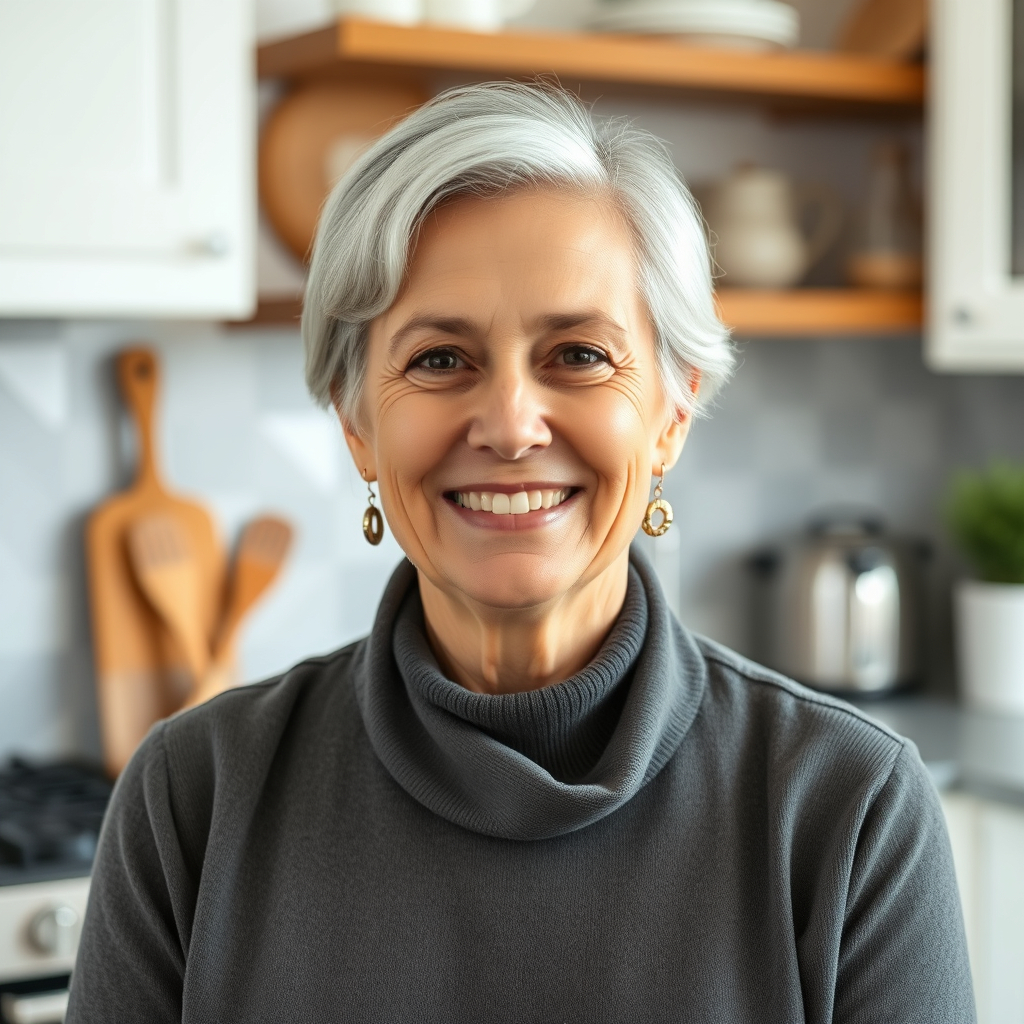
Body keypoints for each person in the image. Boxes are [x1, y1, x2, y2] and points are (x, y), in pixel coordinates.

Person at [67, 82, 975, 1023]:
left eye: (579, 354)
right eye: (438, 359)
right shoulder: (194, 796)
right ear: (358, 425)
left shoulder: (850, 810)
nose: (508, 424)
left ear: (672, 412)